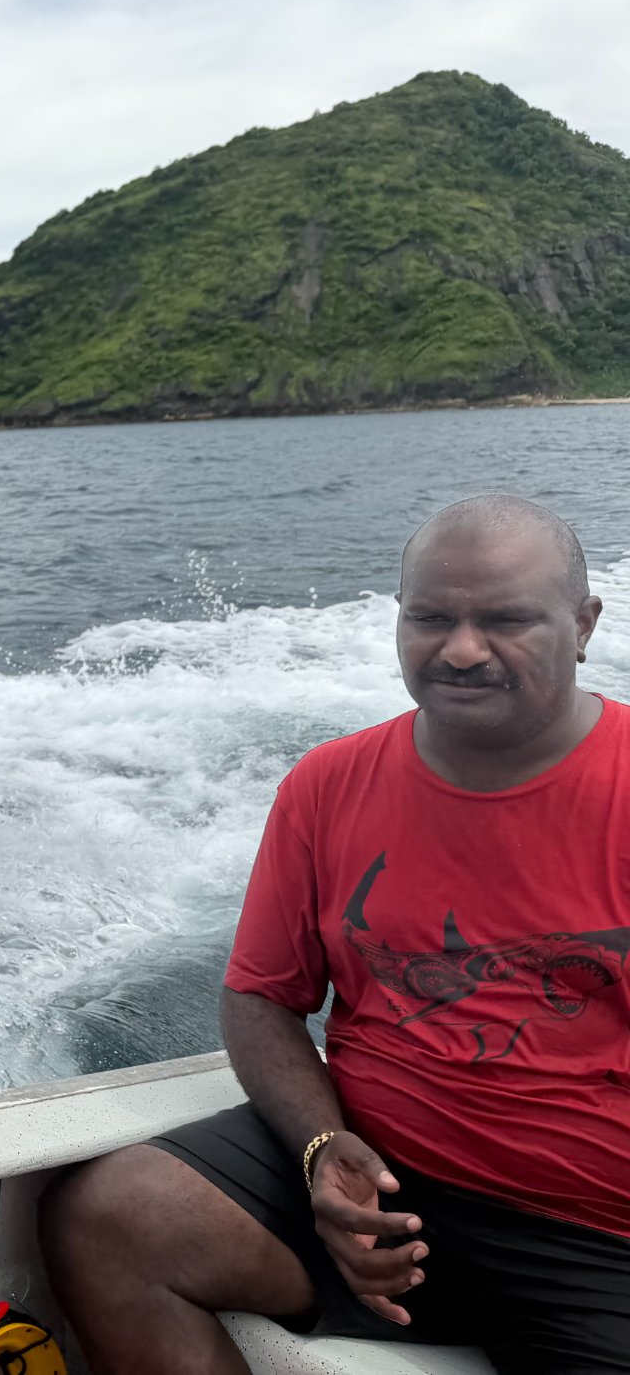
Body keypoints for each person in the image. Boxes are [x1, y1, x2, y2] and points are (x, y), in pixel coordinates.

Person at [41, 496, 630, 1375]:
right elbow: (259, 998)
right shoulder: (328, 785)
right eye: (430, 618)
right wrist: (322, 1150)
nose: (462, 649)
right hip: (377, 1184)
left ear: (582, 625)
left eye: (505, 620)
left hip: (596, 1236)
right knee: (111, 1218)